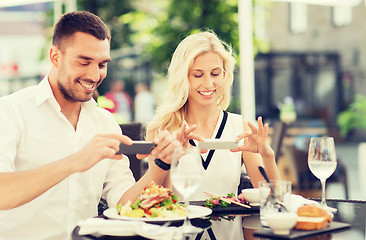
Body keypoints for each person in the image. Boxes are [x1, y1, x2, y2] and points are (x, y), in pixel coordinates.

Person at [0, 11, 182, 240]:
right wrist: (75, 161)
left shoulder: (105, 123)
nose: (94, 75)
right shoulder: (9, 112)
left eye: (102, 64)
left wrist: (161, 164)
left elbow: (125, 203)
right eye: (84, 62)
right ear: (55, 57)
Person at [146, 31, 281, 200]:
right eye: (198, 75)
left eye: (215, 74)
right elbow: (160, 202)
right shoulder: (162, 130)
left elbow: (273, 199)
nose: (209, 83)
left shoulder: (240, 128)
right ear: (182, 78)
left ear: (225, 75)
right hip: (181, 226)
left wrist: (267, 155)